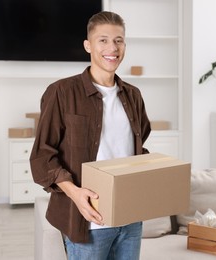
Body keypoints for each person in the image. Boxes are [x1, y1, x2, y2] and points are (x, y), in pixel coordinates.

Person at [30, 11, 151, 260]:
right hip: (88, 222)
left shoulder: (133, 95)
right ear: (88, 45)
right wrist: (75, 193)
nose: (112, 48)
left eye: (118, 40)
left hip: (130, 220)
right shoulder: (61, 92)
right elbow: (43, 157)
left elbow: (139, 150)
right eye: (103, 40)